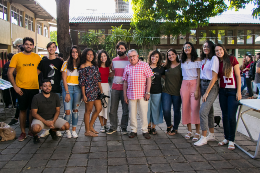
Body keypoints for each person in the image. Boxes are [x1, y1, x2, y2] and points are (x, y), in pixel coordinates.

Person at [8, 37, 41, 141]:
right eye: (27, 44)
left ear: (33, 46)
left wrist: (33, 75)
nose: (29, 46)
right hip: (21, 88)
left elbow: (40, 69)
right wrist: (15, 86)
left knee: (32, 111)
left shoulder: (37, 57)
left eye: (31, 44)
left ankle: (31, 131)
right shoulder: (16, 57)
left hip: (34, 88)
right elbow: (9, 73)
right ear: (23, 45)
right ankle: (23, 132)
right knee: (22, 110)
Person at [215, 44, 241, 150]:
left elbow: (238, 75)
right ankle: (226, 138)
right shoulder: (217, 62)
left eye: (220, 50)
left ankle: (232, 140)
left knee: (231, 116)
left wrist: (239, 91)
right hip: (222, 91)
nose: (219, 52)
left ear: (224, 50)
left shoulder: (232, 59)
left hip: (232, 91)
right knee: (225, 116)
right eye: (216, 50)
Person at [123, 49, 153, 139]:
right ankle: (133, 130)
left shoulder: (144, 65)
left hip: (143, 94)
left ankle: (145, 130)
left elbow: (149, 79)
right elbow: (125, 82)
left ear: (137, 56)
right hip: (131, 94)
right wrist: (125, 95)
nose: (132, 58)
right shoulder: (127, 67)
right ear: (128, 58)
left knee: (143, 113)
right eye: (130, 57)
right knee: (132, 114)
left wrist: (148, 92)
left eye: (133, 56)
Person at [194, 41, 219, 146]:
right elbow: (200, 75)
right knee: (209, 111)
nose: (205, 48)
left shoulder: (214, 59)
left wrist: (206, 93)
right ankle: (212, 134)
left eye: (207, 46)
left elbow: (214, 77)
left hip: (211, 86)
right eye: (204, 46)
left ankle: (203, 137)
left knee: (203, 111)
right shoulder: (204, 59)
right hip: (203, 84)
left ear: (211, 47)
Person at [31, 79, 70, 144]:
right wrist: (46, 122)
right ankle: (35, 136)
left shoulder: (55, 96)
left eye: (49, 86)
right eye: (45, 86)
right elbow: (34, 113)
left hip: (52, 119)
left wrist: (53, 121)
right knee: (35, 128)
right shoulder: (36, 97)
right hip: (40, 120)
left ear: (51, 87)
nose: (47, 88)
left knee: (66, 126)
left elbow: (58, 111)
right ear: (41, 87)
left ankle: (52, 131)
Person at [37, 42, 63, 138]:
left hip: (56, 89)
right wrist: (40, 85)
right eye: (49, 47)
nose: (51, 49)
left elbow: (63, 74)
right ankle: (46, 129)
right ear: (47, 49)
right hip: (45, 89)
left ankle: (54, 129)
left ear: (55, 49)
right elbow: (36, 73)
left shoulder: (60, 62)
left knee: (56, 110)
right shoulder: (43, 62)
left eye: (53, 47)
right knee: (44, 109)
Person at [107, 42, 130, 135]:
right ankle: (113, 127)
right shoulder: (114, 60)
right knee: (113, 109)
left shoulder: (129, 60)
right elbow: (113, 72)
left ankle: (124, 127)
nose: (120, 50)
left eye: (122, 48)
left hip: (126, 89)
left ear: (125, 49)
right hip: (115, 88)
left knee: (126, 109)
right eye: (118, 48)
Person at [79, 48, 103, 137]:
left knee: (99, 108)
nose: (90, 56)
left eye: (92, 54)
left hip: (96, 90)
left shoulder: (95, 66)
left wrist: (101, 89)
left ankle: (90, 126)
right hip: (88, 91)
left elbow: (98, 79)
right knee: (88, 111)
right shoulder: (82, 67)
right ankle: (87, 131)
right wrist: (84, 95)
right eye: (88, 54)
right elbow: (82, 82)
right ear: (85, 55)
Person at [180, 42, 201, 141]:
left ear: (192, 48)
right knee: (185, 107)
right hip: (184, 84)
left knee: (195, 107)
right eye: (185, 47)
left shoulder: (197, 60)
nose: (187, 48)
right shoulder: (182, 61)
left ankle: (197, 132)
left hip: (194, 84)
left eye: (189, 47)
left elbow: (199, 75)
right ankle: (189, 130)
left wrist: (197, 89)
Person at [61, 45, 81, 138]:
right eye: (73, 52)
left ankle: (74, 130)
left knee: (75, 110)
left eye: (76, 52)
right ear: (70, 53)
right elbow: (64, 79)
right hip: (68, 88)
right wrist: (67, 92)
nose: (75, 54)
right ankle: (67, 130)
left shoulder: (81, 64)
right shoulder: (66, 63)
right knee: (67, 111)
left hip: (78, 89)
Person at [162, 49, 182, 135]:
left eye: (172, 54)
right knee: (166, 110)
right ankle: (169, 125)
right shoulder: (165, 66)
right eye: (169, 55)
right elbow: (162, 76)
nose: (171, 56)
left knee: (176, 110)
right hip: (166, 91)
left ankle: (176, 128)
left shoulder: (181, 66)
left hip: (177, 92)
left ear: (176, 55)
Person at [147, 50, 164, 135]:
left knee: (156, 109)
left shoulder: (161, 68)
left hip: (157, 92)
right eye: (153, 56)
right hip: (147, 92)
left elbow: (165, 78)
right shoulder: (146, 67)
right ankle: (148, 126)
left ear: (159, 58)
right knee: (147, 110)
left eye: (157, 57)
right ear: (150, 57)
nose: (154, 58)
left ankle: (153, 127)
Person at [97, 50, 111, 132]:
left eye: (104, 56)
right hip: (99, 87)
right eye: (101, 56)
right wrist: (100, 90)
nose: (103, 58)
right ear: (99, 58)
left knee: (106, 107)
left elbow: (111, 74)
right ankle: (101, 125)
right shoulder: (97, 67)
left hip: (107, 87)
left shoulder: (109, 67)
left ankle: (105, 125)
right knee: (100, 108)